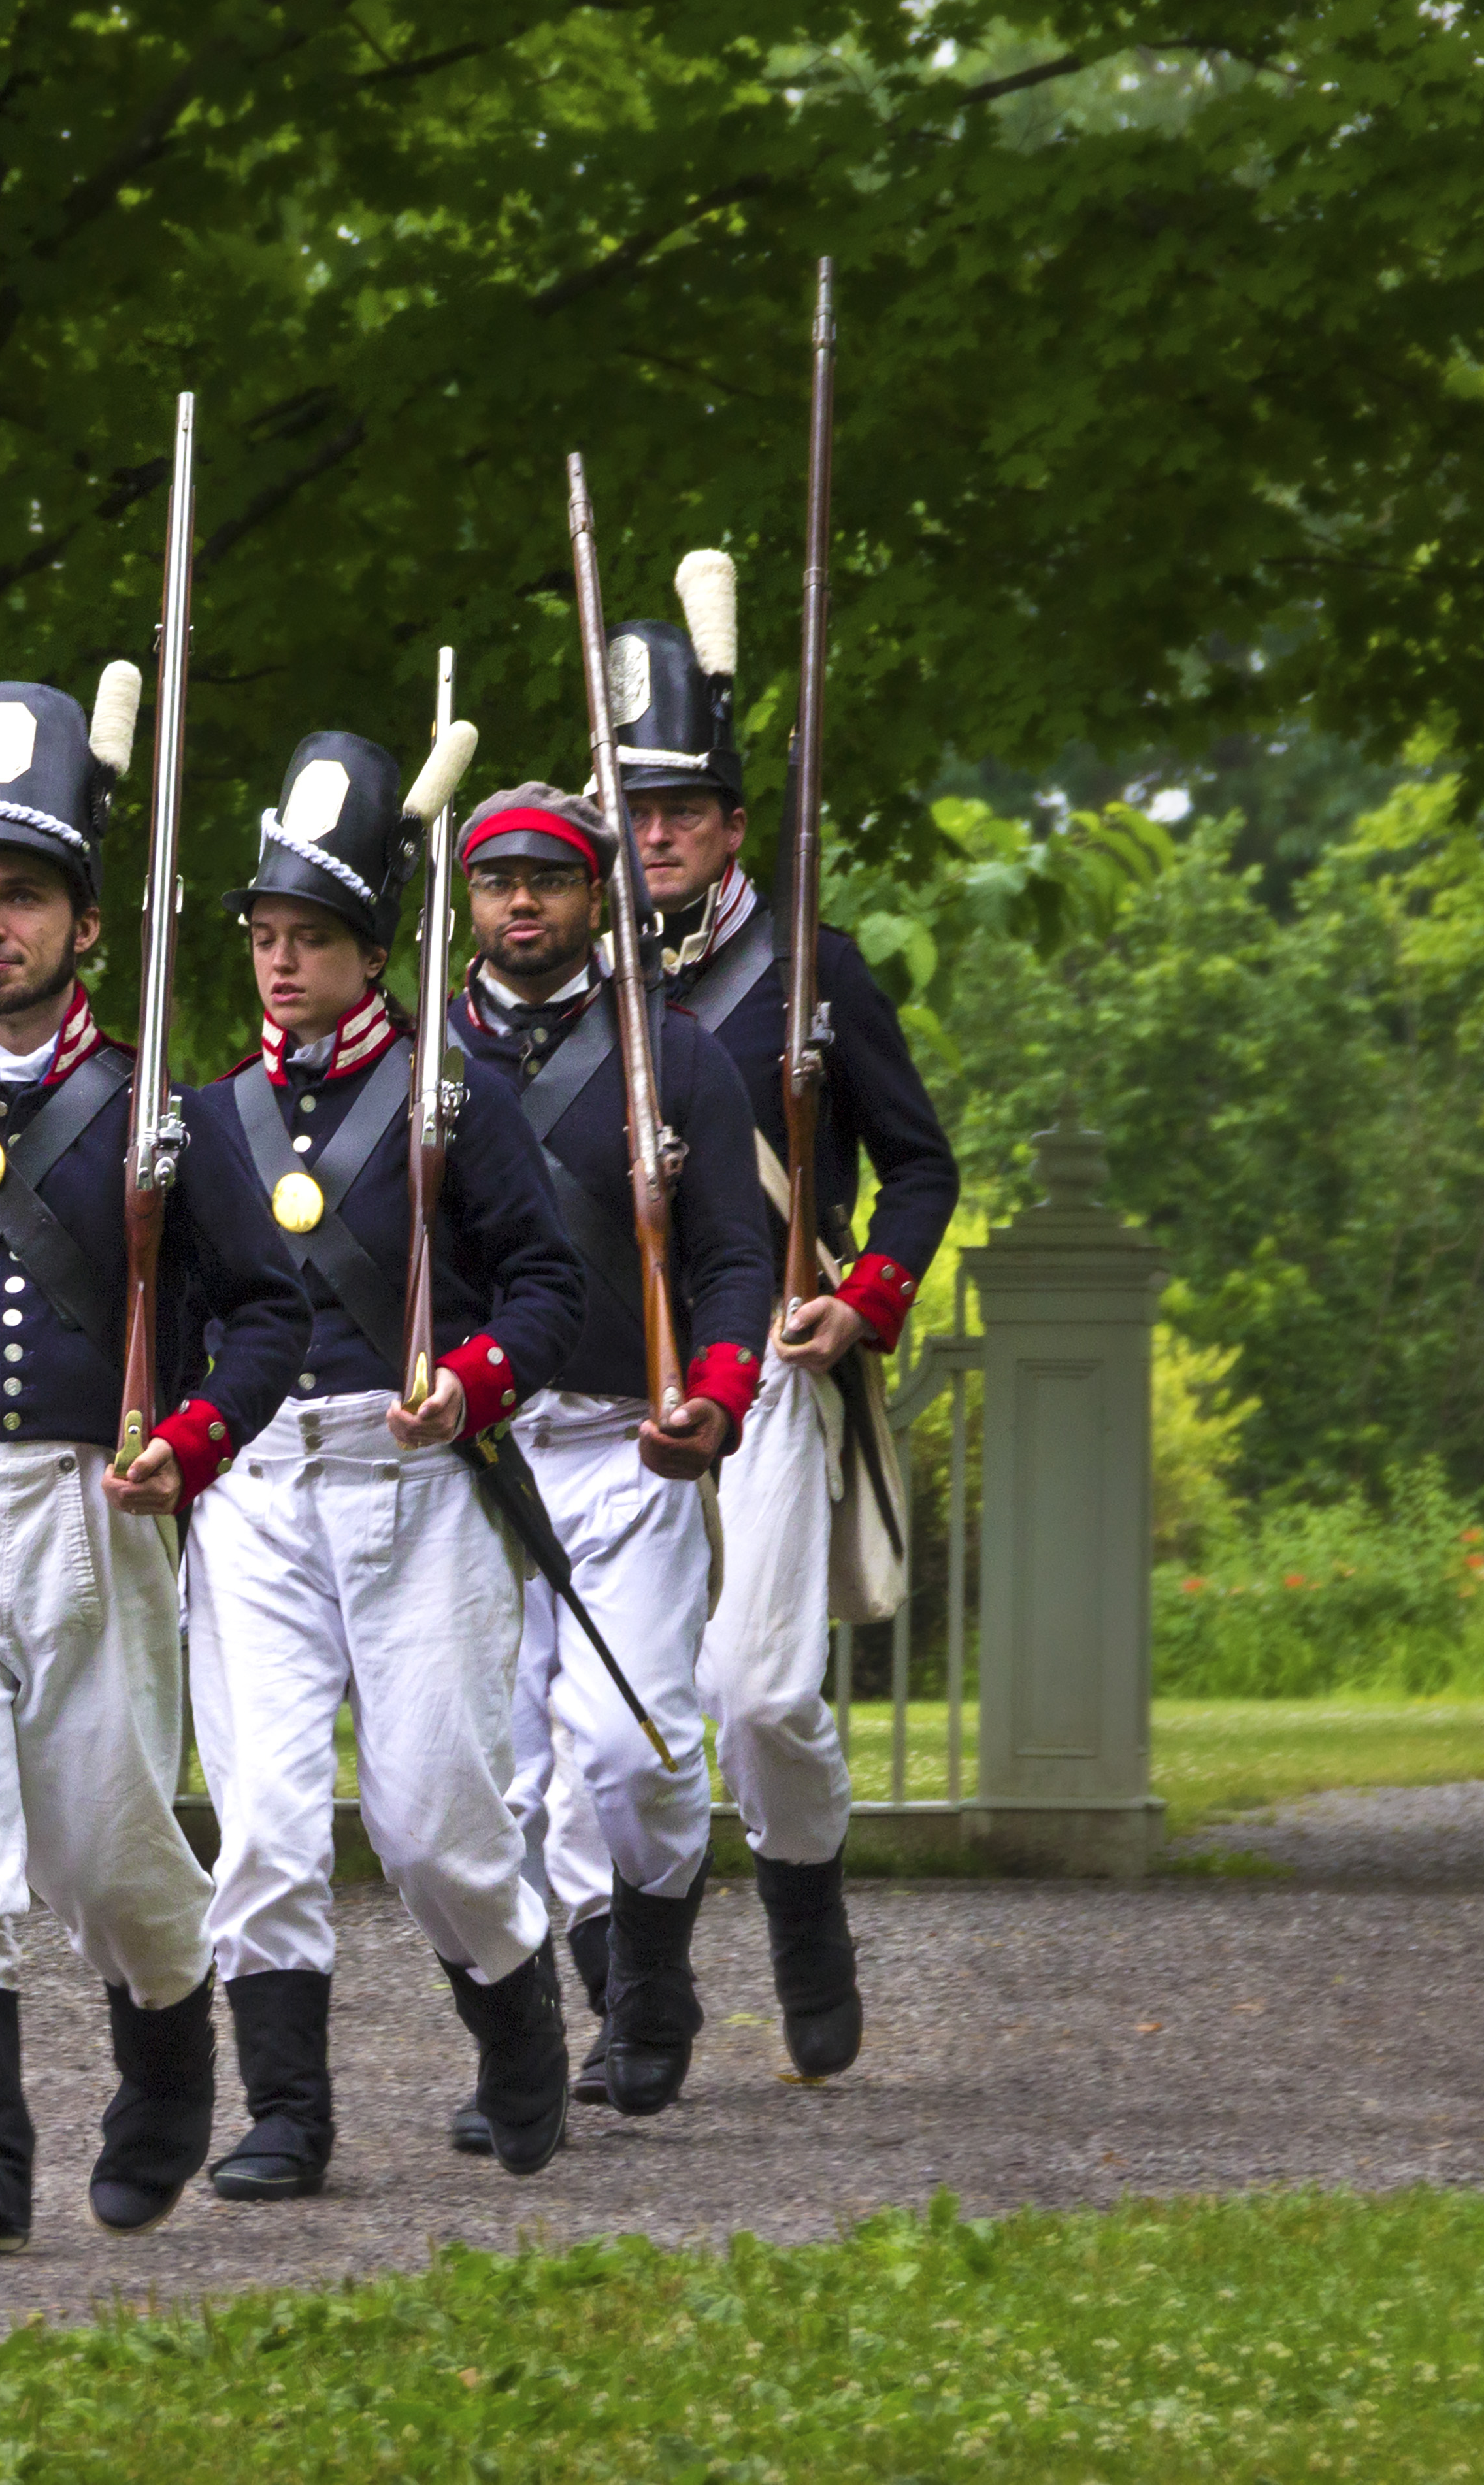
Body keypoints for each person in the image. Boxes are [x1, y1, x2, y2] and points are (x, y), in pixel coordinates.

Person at [0, 674, 314, 2256]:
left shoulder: (162, 1116)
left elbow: (269, 1316)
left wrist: (190, 1443)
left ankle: (170, 2040)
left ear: (84, 926)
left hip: (94, 1514)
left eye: (24, 899)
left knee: (112, 1854)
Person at [181, 732, 591, 2184]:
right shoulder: (215, 1122)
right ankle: (287, 2115)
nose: (281, 966)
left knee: (434, 1828)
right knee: (268, 1826)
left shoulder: (452, 1097)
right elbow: (192, 1320)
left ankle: (517, 2010)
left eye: (311, 940)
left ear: (371, 950)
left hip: (418, 1486)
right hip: (261, 1493)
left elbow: (549, 1289)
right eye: (265, 939)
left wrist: (474, 1383)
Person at [628, 550, 961, 2083]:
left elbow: (920, 1165)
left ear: (734, 823)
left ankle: (807, 1904)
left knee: (757, 1691)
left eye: (682, 811)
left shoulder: (810, 973)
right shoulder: (586, 984)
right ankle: (642, 2002)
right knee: (613, 1710)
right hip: (617, 1370)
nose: (655, 838)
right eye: (635, 814)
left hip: (767, 1358)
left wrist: (864, 1301)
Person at [449, 746, 771, 2142]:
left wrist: (713, 1390)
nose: (524, 903)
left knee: (630, 1746)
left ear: (596, 896)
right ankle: (545, 2032)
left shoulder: (674, 1058)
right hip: (471, 1459)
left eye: (550, 880)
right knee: (501, 1775)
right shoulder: (426, 1065)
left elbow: (738, 1261)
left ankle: (650, 1983)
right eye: (498, 880)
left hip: (624, 1444)